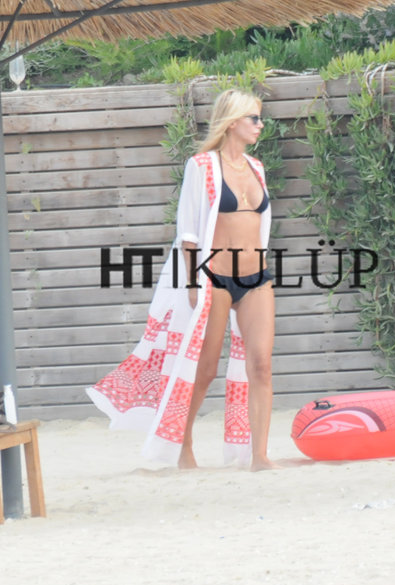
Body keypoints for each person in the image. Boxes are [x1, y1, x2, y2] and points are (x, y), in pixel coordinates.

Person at [87, 89, 278, 470]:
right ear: (232, 122)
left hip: (256, 277)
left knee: (261, 365)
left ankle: (259, 456)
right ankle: (183, 444)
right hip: (215, 276)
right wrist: (192, 284)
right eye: (254, 118)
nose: (260, 125)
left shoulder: (256, 168)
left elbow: (259, 225)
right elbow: (188, 232)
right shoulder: (202, 166)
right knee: (204, 370)